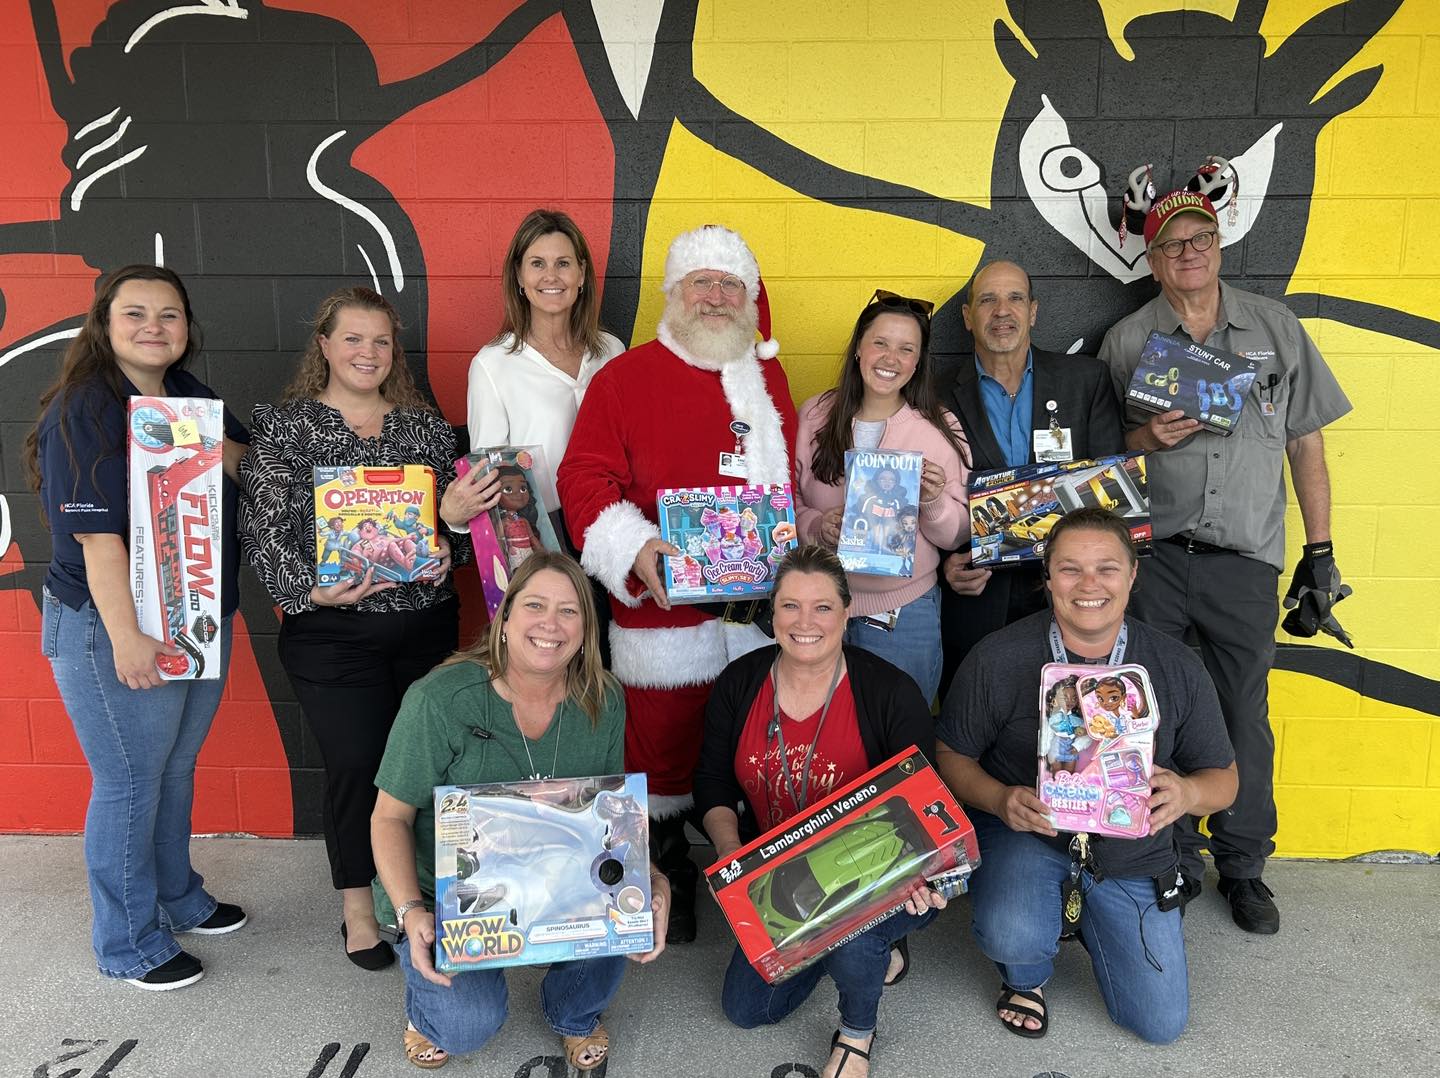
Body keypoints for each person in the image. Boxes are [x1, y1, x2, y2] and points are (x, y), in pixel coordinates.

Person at [1098, 190, 1353, 934]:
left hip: (1245, 559)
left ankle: (1242, 865)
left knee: (1243, 712)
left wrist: (1321, 550)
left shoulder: (1277, 329)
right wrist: (1148, 441)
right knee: (1155, 710)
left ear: (1220, 241)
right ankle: (1169, 853)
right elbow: (1108, 456)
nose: (1189, 252)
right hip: (1156, 559)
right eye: (1172, 243)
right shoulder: (1126, 340)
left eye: (1200, 236)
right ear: (1151, 260)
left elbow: (1306, 442)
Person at [239, 286, 499, 970]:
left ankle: (426, 895)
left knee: (433, 764)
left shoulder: (425, 431)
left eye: (381, 340)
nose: (368, 352)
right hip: (331, 634)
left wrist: (449, 542)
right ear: (323, 345)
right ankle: (360, 909)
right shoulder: (287, 429)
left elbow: (462, 532)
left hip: (424, 626)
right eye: (353, 338)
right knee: (357, 765)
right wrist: (309, 589)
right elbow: (262, 532)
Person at [558, 224, 798, 943]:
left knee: (755, 743)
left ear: (750, 299)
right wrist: (636, 548)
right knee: (659, 762)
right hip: (666, 622)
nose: (717, 296)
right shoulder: (625, 379)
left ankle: (761, 876)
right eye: (703, 282)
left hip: (755, 618)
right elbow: (582, 478)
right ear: (676, 293)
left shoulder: (768, 377)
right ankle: (665, 882)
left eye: (731, 284)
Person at [24, 264, 248, 990]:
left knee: (172, 771)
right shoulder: (85, 407)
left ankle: (177, 897)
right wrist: (126, 638)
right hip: (111, 621)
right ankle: (128, 943)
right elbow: (97, 541)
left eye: (171, 314)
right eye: (136, 313)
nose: (155, 326)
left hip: (194, 617)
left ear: (187, 328)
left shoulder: (188, 396)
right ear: (104, 324)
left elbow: (245, 462)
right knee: (127, 781)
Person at [936, 508, 1238, 1043]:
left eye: (1107, 568)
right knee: (1014, 931)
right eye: (1070, 569)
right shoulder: (999, 658)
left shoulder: (1174, 665)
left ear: (1133, 575)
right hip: (1030, 833)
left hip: (1131, 846)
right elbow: (952, 755)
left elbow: (1226, 779)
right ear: (1047, 576)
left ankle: (1094, 913)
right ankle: (1025, 975)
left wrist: (1188, 792)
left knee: (1159, 1024)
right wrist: (1000, 798)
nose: (1089, 585)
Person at [370, 551, 670, 1071]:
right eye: (535, 605)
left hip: (561, 875)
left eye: (569, 611)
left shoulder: (603, 698)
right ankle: (424, 1010)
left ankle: (574, 1014)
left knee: (625, 903)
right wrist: (409, 910)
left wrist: (655, 883)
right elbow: (388, 818)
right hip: (448, 893)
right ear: (504, 618)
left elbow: (610, 823)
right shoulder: (439, 699)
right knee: (466, 1027)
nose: (550, 625)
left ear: (586, 629)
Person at [695, 546, 945, 1078]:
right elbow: (712, 782)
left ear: (847, 610)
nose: (805, 622)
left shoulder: (890, 693)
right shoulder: (740, 683)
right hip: (781, 877)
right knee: (746, 1010)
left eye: (823, 607)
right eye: (790, 606)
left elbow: (930, 800)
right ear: (772, 612)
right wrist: (732, 856)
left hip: (879, 871)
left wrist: (921, 875)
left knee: (854, 929)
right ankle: (867, 951)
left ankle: (857, 1032)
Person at [936, 260, 1125, 696]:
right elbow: (921, 500)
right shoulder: (934, 394)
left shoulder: (1086, 380)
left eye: (1014, 298)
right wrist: (944, 567)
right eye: (987, 300)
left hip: (1071, 591)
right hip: (978, 595)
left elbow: (1110, 494)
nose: (1002, 311)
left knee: (1074, 723)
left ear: (1034, 311)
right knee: (976, 718)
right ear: (967, 317)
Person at [793, 291, 970, 705]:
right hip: (817, 605)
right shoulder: (816, 414)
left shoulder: (939, 427)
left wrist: (932, 501)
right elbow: (787, 502)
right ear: (859, 347)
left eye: (906, 349)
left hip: (904, 613)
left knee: (897, 746)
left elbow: (957, 534)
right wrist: (817, 526)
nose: (891, 358)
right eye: (880, 343)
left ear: (918, 361)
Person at [466, 209, 625, 518]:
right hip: (542, 538)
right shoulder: (493, 365)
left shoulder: (612, 352)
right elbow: (488, 480)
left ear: (581, 274)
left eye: (562, 264)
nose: (551, 276)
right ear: (519, 277)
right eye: (537, 264)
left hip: (611, 529)